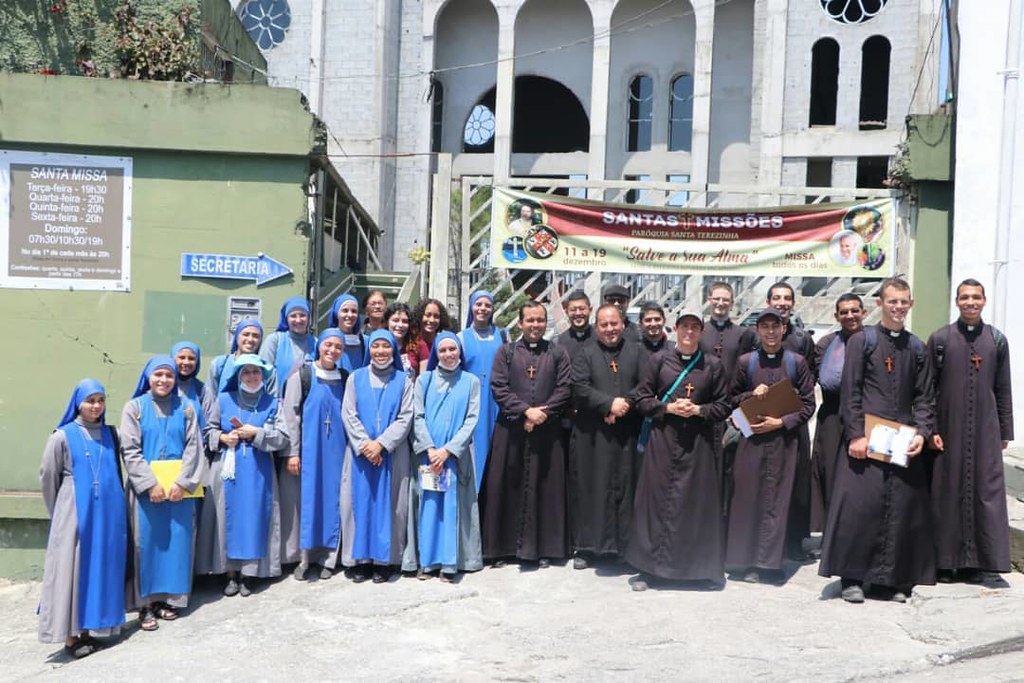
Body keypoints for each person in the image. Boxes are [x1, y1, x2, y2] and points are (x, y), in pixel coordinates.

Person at [819, 278, 936, 604]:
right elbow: (850, 392)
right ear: (881, 304)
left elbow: (925, 397)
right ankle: (852, 578)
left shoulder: (915, 346)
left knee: (899, 510)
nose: (898, 307)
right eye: (892, 302)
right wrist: (855, 434)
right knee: (860, 509)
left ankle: (890, 580)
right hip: (866, 438)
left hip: (901, 440)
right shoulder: (863, 340)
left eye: (903, 302)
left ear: (910, 304)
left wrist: (923, 434)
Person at [627, 311, 731, 590]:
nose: (689, 332)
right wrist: (668, 408)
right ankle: (650, 571)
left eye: (695, 328)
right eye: (684, 326)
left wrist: (699, 409)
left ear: (701, 332)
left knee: (697, 506)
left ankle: (700, 571)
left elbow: (724, 405)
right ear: (675, 329)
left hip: (698, 444)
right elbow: (641, 398)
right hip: (663, 440)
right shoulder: (659, 360)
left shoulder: (712, 365)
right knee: (656, 504)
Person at [927, 278, 1014, 584]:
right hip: (947, 428)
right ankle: (945, 561)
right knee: (946, 491)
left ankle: (978, 562)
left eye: (976, 297)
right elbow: (928, 389)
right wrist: (930, 429)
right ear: (957, 301)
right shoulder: (940, 338)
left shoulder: (997, 339)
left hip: (985, 430)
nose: (970, 302)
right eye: (965, 297)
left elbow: (1003, 388)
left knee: (984, 491)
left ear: (985, 300)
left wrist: (1005, 430)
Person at [725, 308, 816, 584]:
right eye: (765, 327)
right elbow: (730, 399)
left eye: (776, 327)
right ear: (757, 331)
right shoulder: (746, 362)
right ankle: (745, 562)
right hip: (751, 442)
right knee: (748, 499)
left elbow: (809, 404)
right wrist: (751, 394)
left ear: (784, 329)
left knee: (776, 502)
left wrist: (781, 422)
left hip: (783, 442)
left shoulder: (796, 362)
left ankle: (769, 563)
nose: (771, 332)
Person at [38, 379, 127, 658]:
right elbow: (48, 479)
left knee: (98, 569)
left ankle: (91, 629)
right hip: (75, 514)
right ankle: (70, 637)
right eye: (90, 400)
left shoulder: (113, 435)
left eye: (101, 400)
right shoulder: (62, 436)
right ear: (78, 403)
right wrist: (64, 514)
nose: (96, 406)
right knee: (72, 571)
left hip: (107, 516)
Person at [480, 301, 571, 567]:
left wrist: (541, 414)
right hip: (511, 432)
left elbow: (564, 388)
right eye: (530, 320)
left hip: (547, 431)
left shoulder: (557, 352)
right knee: (506, 487)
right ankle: (502, 549)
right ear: (520, 323)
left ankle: (543, 549)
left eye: (540, 320)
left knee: (544, 489)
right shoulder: (505, 352)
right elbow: (498, 386)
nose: (535, 325)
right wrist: (525, 412)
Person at [120, 356, 203, 631]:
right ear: (148, 377)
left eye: (168, 376)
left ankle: (170, 599)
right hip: (147, 492)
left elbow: (194, 447)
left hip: (179, 491)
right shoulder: (135, 408)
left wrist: (182, 483)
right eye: (158, 375)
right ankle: (145, 605)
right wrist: (149, 484)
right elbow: (130, 449)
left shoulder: (187, 408)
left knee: (178, 542)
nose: (163, 380)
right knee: (146, 545)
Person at [200, 355, 290, 597]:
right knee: (226, 518)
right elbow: (208, 430)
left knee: (254, 518)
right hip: (228, 469)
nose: (251, 377)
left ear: (263, 376)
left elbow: (283, 437)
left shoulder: (273, 403)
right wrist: (221, 438)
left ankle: (249, 574)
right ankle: (229, 573)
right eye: (246, 372)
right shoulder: (224, 399)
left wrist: (257, 433)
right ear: (238, 376)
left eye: (256, 372)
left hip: (259, 470)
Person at [568, 304, 645, 569]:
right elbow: (578, 386)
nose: (610, 329)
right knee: (591, 487)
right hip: (593, 435)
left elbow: (646, 385)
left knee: (627, 488)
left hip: (627, 434)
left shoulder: (637, 351)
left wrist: (623, 405)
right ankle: (588, 547)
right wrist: (607, 404)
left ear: (623, 324)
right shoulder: (585, 353)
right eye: (604, 325)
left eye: (614, 324)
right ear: (596, 327)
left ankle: (626, 549)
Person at [407, 332, 483, 581]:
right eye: (443, 350)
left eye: (453, 349)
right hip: (429, 458)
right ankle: (427, 562)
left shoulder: (471, 381)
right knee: (428, 507)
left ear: (460, 351)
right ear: (436, 353)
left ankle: (451, 563)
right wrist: (430, 449)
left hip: (454, 457)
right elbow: (417, 416)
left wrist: (448, 450)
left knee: (453, 509)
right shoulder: (424, 380)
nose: (449, 354)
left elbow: (472, 418)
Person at [341, 330, 414, 583]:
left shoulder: (404, 381)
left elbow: (406, 416)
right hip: (361, 455)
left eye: (386, 347)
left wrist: (382, 444)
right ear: (369, 349)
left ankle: (386, 560)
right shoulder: (355, 378)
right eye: (376, 346)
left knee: (392, 506)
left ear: (393, 350)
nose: (381, 351)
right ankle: (360, 561)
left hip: (392, 454)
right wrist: (365, 445)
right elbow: (349, 413)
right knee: (359, 504)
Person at [281, 329, 348, 581]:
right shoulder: (303, 375)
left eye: (338, 347)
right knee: (308, 502)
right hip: (310, 451)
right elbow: (291, 415)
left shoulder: (344, 377)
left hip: (337, 452)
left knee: (333, 501)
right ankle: (305, 557)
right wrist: (293, 452)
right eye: (328, 345)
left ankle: (329, 558)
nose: (332, 350)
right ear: (319, 346)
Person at [260, 297, 316, 570]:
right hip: (279, 418)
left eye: (302, 315)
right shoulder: (275, 341)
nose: (298, 320)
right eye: (293, 315)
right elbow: (264, 377)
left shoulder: (315, 343)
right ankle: (278, 553)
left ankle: (302, 550)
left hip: (309, 420)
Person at [699, 281, 757, 527]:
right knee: (705, 467)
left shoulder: (743, 334)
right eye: (717, 299)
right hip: (705, 407)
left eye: (726, 300)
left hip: (734, 409)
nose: (721, 303)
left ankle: (728, 524)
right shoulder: (699, 330)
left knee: (733, 468)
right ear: (709, 300)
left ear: (732, 303)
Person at [764, 281, 815, 560]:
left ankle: (794, 542)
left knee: (796, 479)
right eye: (777, 298)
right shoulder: (754, 334)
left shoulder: (802, 338)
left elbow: (810, 377)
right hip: (763, 420)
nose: (782, 303)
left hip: (792, 418)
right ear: (768, 300)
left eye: (787, 299)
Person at [810, 294, 865, 536]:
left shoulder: (873, 338)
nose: (850, 315)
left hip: (867, 415)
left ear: (863, 312)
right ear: (836, 316)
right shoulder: (826, 343)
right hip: (833, 414)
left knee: (863, 475)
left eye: (854, 310)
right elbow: (818, 378)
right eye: (844, 312)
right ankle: (832, 534)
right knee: (831, 473)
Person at [458, 290, 506, 492]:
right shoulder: (461, 337)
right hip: (473, 402)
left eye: (487, 305)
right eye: (479, 304)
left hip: (496, 401)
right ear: (471, 307)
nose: (483, 309)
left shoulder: (502, 335)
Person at [209, 320, 276, 394]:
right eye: (246, 334)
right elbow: (211, 398)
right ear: (237, 336)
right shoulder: (220, 364)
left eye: (255, 336)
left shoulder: (267, 369)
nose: (250, 339)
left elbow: (273, 400)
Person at [409, 298, 452, 374]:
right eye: (428, 315)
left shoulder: (443, 344)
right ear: (419, 316)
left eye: (436, 316)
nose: (432, 320)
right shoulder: (410, 343)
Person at [329, 294, 368, 373]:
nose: (350, 315)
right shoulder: (326, 341)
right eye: (345, 310)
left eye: (354, 311)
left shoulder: (366, 342)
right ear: (337, 313)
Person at [553, 290, 594, 363]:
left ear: (590, 310)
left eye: (582, 309)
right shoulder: (559, 342)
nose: (578, 313)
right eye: (573, 310)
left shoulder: (601, 338)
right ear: (566, 312)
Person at [385, 302, 417, 375]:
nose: (400, 325)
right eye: (395, 320)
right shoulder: (378, 345)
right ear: (387, 322)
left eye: (405, 321)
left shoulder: (417, 346)